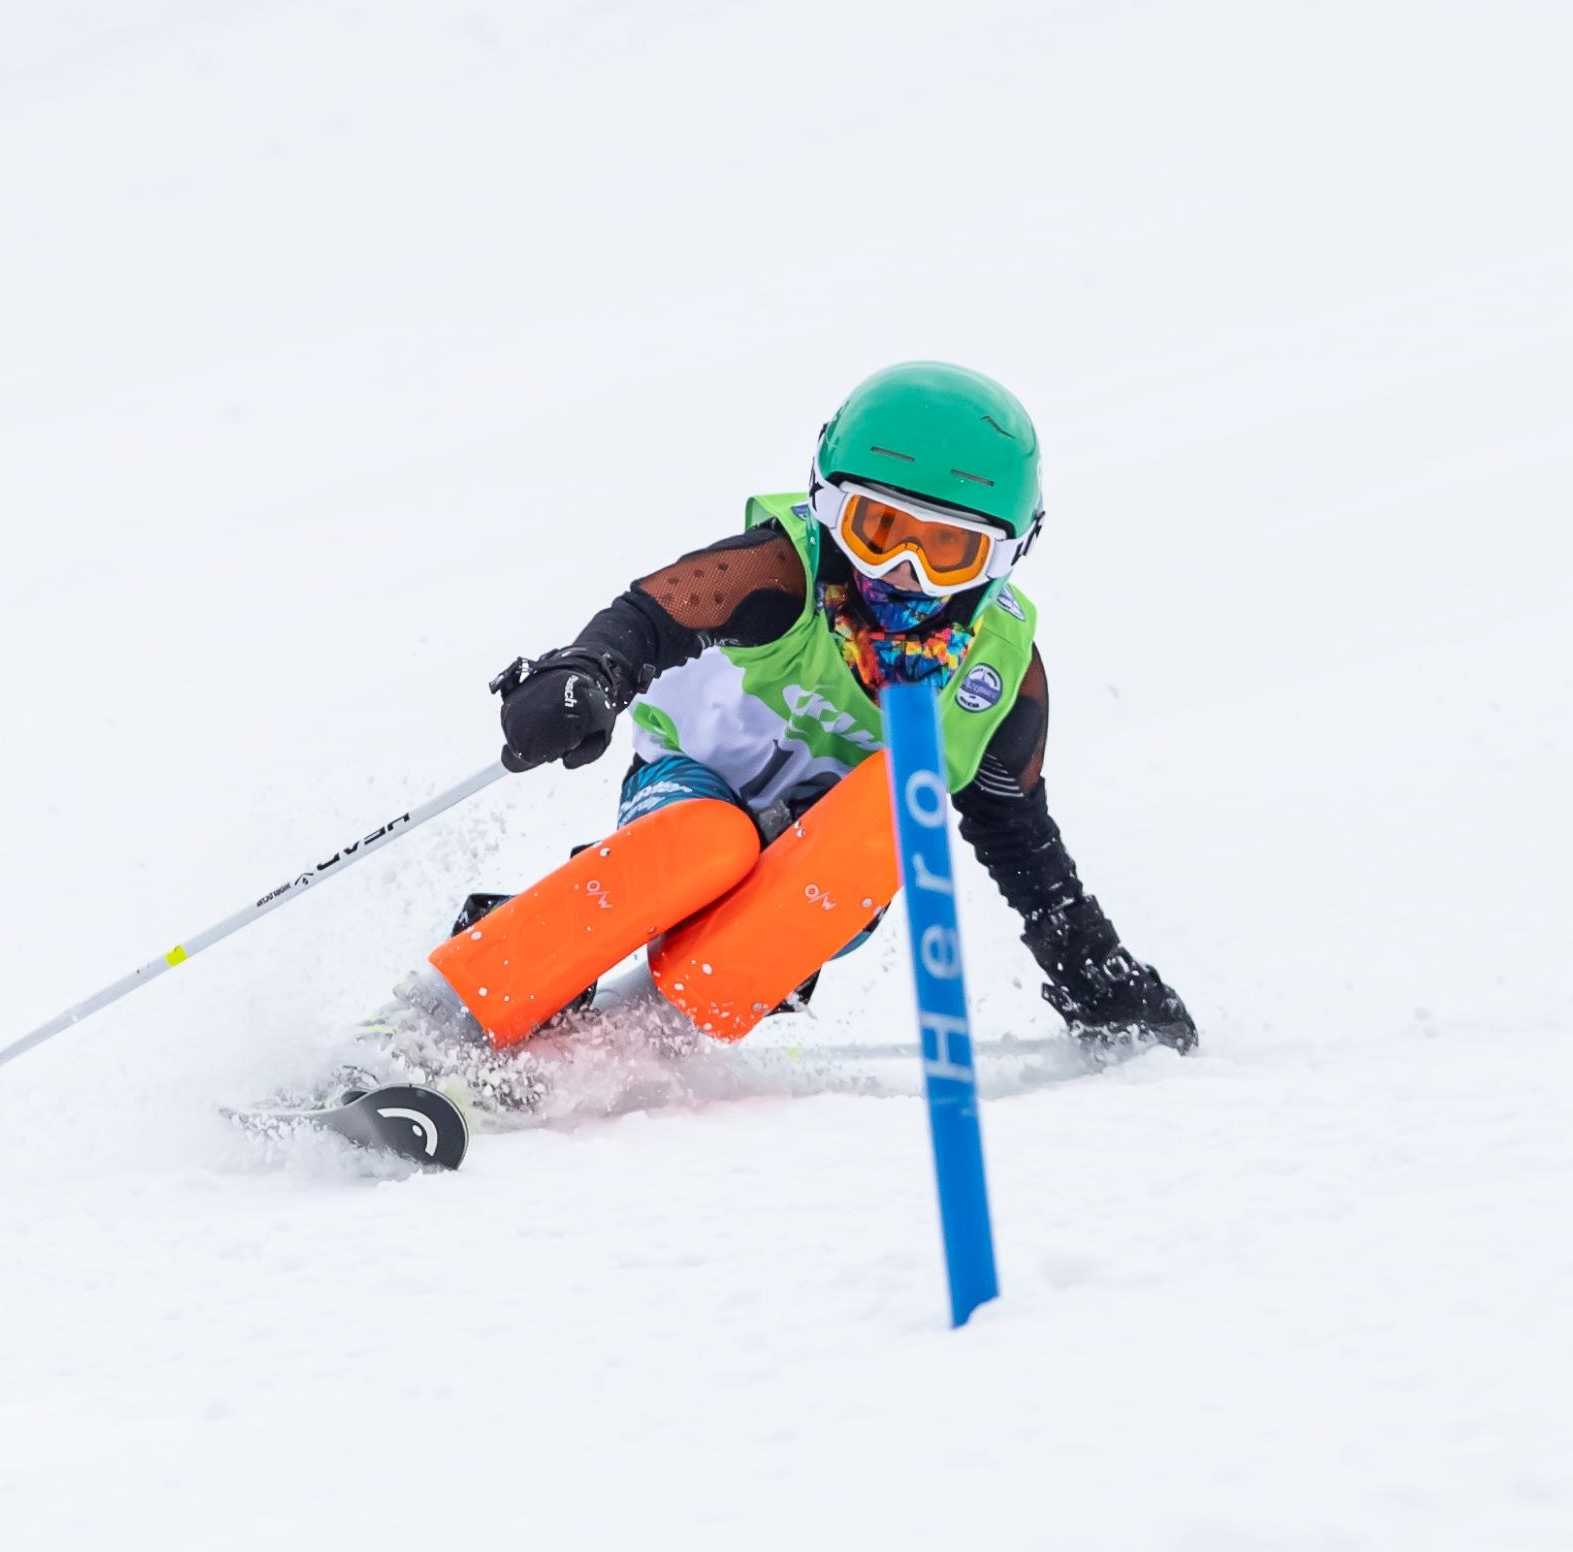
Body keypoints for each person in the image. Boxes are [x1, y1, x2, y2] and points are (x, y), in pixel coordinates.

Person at [405, 362, 1194, 1082]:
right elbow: (652, 618)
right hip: (690, 791)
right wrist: (588, 672)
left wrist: (1095, 972)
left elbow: (1019, 839)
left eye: (948, 551)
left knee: (897, 798)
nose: (902, 576)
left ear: (1005, 555)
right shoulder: (787, 570)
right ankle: (438, 1014)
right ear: (826, 505)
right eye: (876, 530)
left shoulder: (998, 677)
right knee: (709, 841)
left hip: (822, 869)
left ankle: (639, 1033)